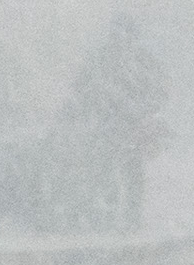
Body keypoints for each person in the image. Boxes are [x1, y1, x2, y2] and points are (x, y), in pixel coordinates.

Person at [62, 12, 168, 232]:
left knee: (126, 171)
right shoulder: (108, 59)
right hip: (109, 125)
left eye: (126, 34)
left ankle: (126, 218)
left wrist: (143, 108)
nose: (122, 38)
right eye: (119, 33)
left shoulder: (137, 60)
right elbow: (81, 89)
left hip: (126, 126)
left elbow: (159, 91)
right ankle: (112, 217)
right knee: (109, 170)